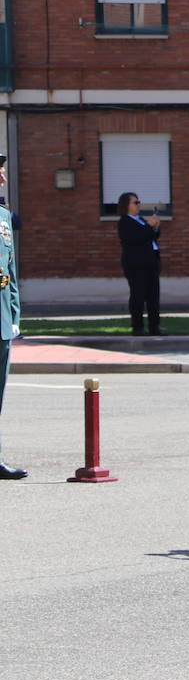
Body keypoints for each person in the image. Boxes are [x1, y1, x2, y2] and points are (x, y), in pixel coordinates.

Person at [0, 156, 25, 479]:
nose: (3, 180)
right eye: (0, 174)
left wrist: (15, 313)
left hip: (2, 319)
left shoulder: (4, 217)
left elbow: (11, 272)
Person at [116, 192, 162, 336]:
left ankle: (154, 327)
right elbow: (136, 238)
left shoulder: (140, 219)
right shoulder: (124, 222)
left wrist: (155, 228)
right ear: (126, 205)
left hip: (151, 262)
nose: (138, 205)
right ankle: (138, 327)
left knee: (153, 296)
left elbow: (150, 235)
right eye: (135, 202)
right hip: (136, 264)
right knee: (138, 296)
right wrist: (149, 225)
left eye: (138, 202)